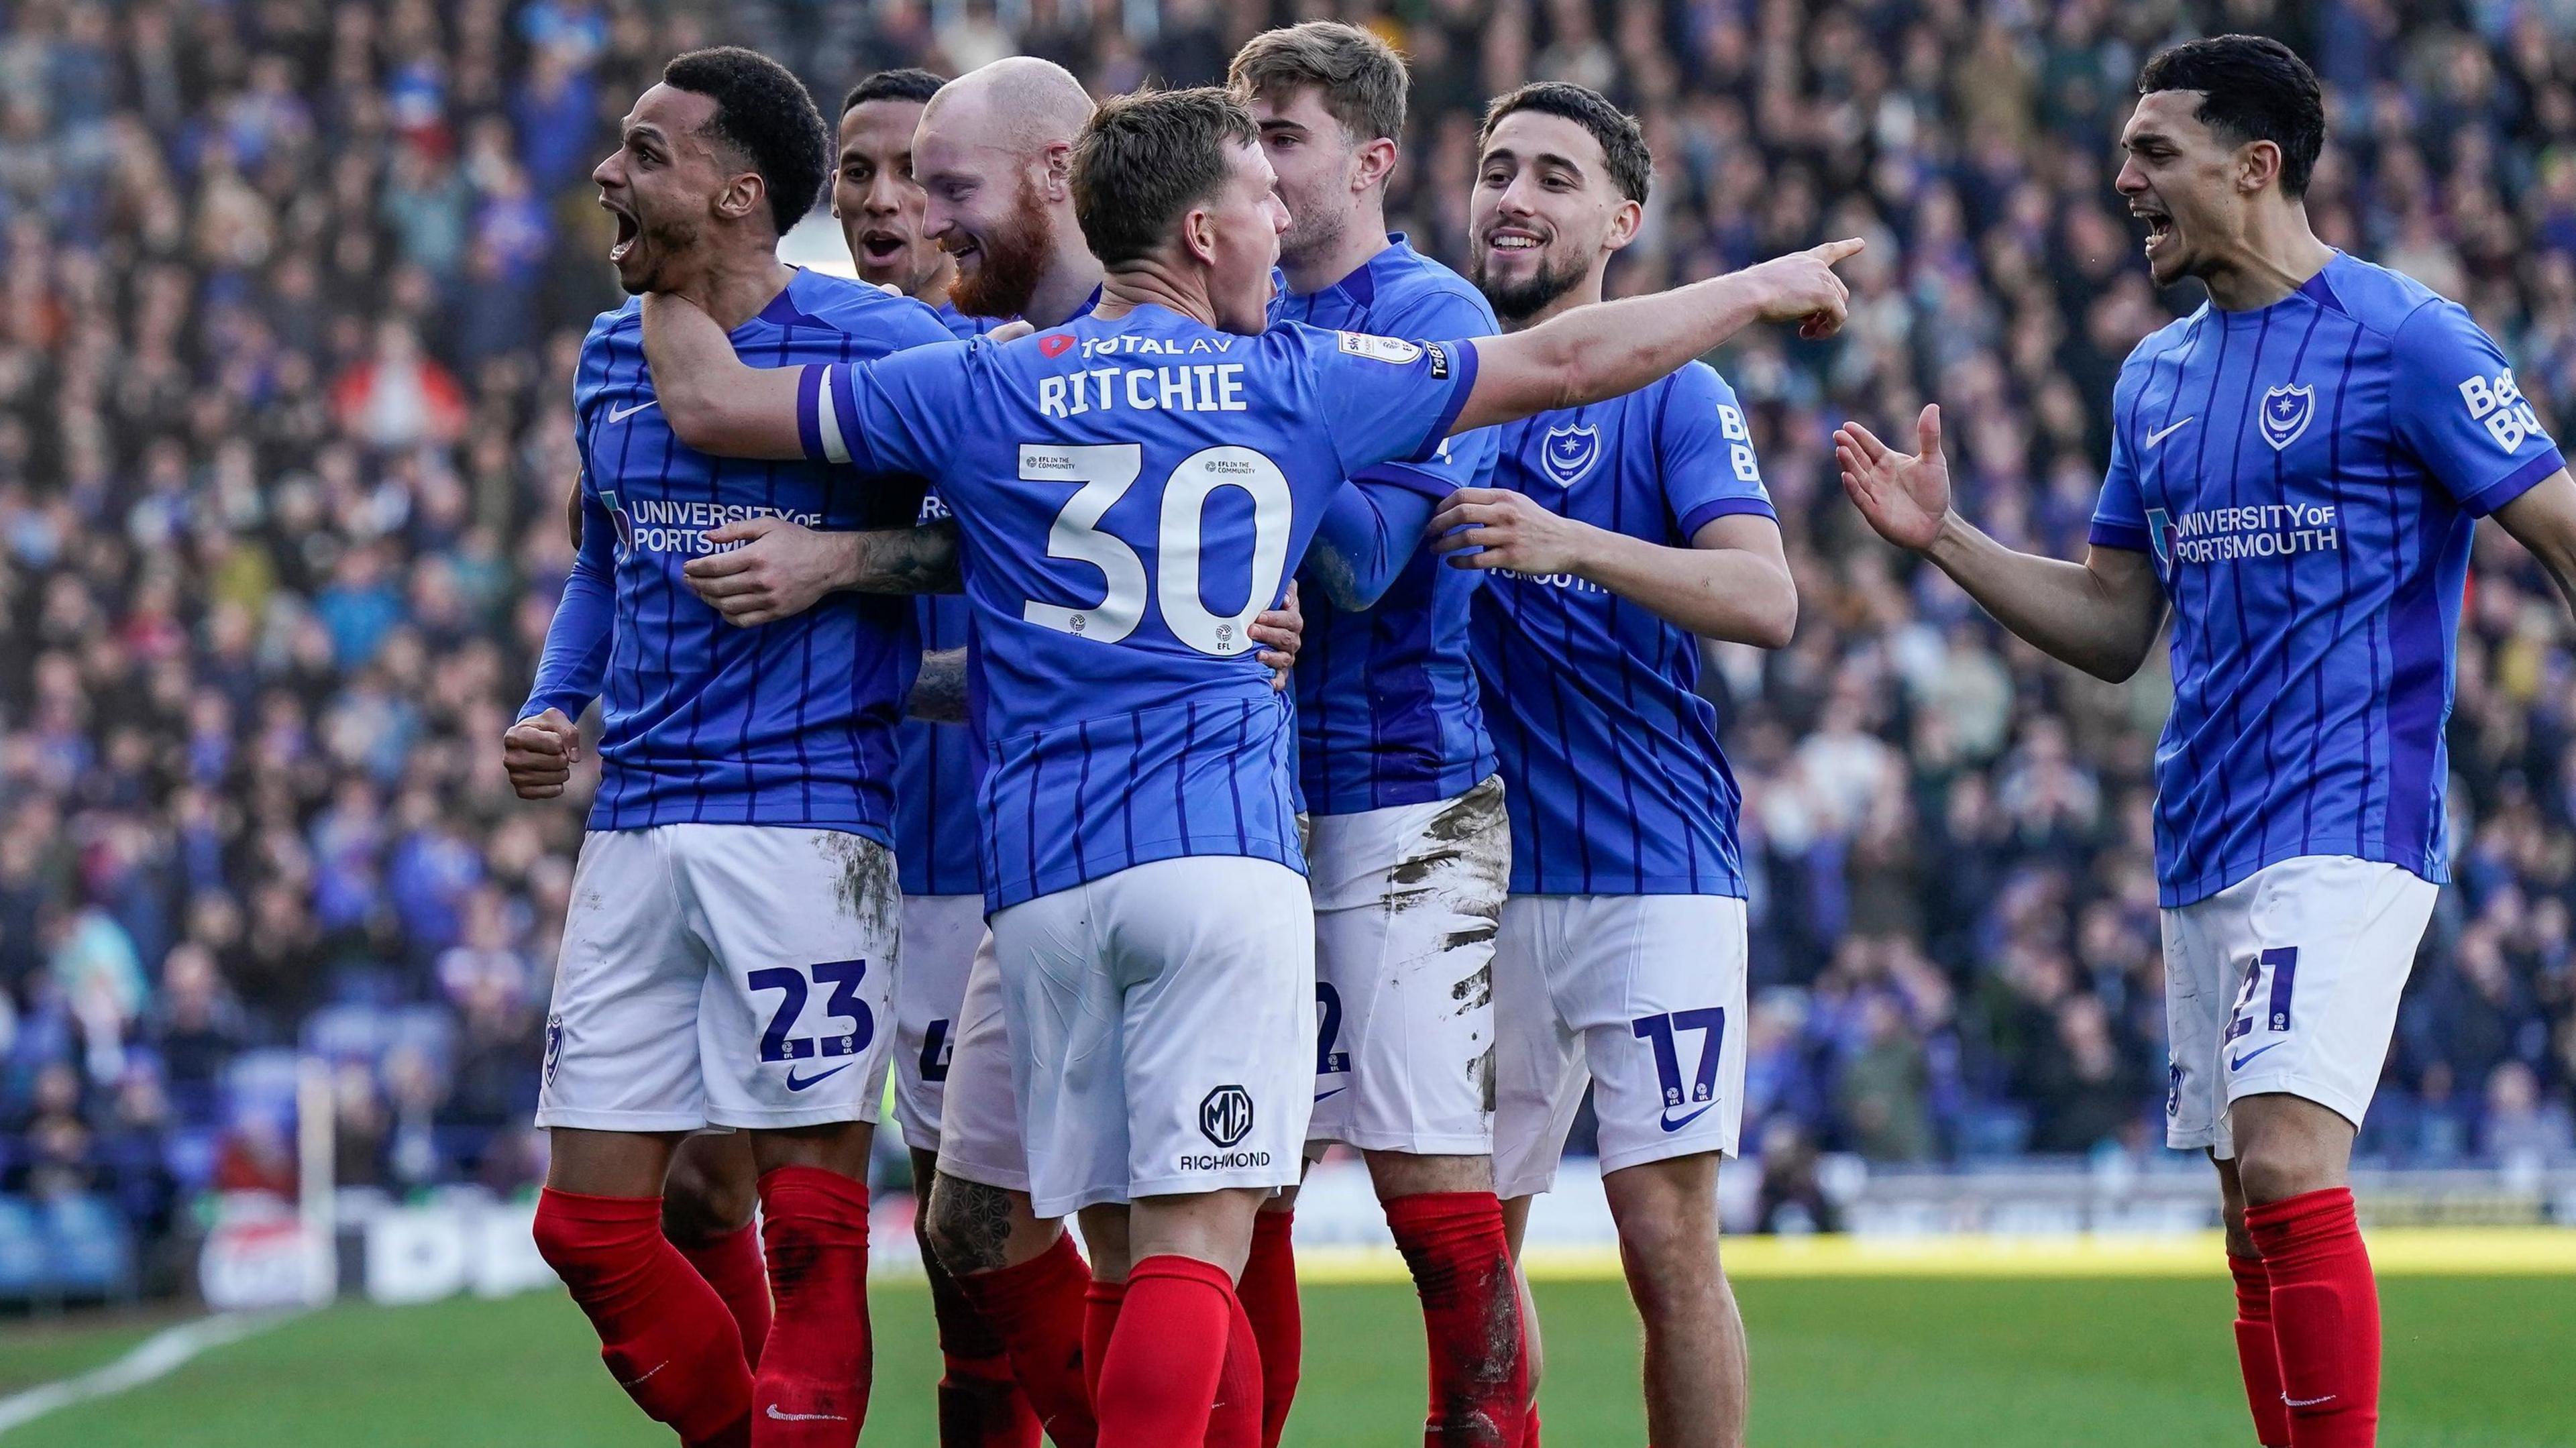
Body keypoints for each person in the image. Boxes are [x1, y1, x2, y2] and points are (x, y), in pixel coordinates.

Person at [637, 84, 1856, 1446]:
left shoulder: (974, 382)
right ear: (1206, 231)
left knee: (1098, 1244)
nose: (1283, 227)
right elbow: (1569, 363)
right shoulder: (1296, 379)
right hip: (1223, 854)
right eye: (1260, 203)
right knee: (1192, 1245)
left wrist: (662, 258)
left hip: (1037, 874)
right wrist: (1758, 285)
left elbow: (715, 402)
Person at [1835, 36, 2576, 1448]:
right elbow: (2117, 623)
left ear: (2258, 167)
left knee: (2295, 1163)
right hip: (2204, 834)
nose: (2124, 180)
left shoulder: (2409, 338)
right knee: (2248, 1200)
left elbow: (2560, 531)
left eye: (2154, 153)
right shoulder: (2153, 381)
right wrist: (1946, 541)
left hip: (2352, 808)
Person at [499, 47, 954, 1448]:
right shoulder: (608, 349)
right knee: (586, 1226)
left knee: (813, 1232)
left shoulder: (883, 348)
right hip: (633, 817)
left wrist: (839, 559)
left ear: (741, 196)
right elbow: (604, 556)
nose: (607, 172)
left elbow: (985, 542)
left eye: (646, 151)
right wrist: (554, 700)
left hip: (808, 818)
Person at [1431, 82, 1799, 1448]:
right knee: (1467, 1248)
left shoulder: (1673, 393)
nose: (1514, 197)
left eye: (1553, 177)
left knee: (1662, 1237)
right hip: (1470, 887)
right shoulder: (1436, 387)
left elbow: (1766, 602)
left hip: (1654, 873)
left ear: (1621, 222)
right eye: (1497, 169)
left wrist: (1570, 543)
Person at [1228, 22, 1518, 1446]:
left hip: (1406, 800)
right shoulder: (1227, 299)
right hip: (1233, 809)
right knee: (1242, 1178)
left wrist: (1264, 407)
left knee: (1427, 1194)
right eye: (1249, 139)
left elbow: (1361, 565)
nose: (1260, 167)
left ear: (1373, 157)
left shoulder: (1441, 320)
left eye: (1285, 136)